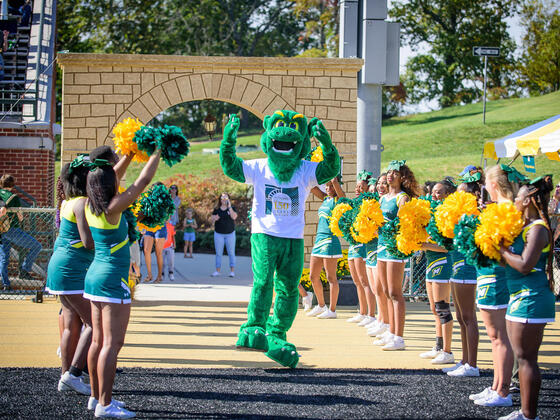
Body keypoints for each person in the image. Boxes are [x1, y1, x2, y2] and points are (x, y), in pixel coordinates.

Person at [84, 147, 160, 418]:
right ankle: (105, 405)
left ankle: (95, 398)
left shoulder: (89, 204)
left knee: (97, 340)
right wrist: (158, 151)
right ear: (109, 185)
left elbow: (109, 177)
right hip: (112, 279)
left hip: (94, 276)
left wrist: (128, 153)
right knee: (112, 343)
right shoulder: (113, 208)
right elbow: (142, 183)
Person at [498, 175, 556, 420]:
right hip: (520, 297)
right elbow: (507, 262)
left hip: (531, 298)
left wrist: (502, 249)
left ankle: (529, 414)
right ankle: (524, 411)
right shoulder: (524, 227)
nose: (515, 200)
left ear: (528, 200)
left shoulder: (538, 229)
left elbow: (524, 265)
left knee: (527, 358)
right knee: (522, 358)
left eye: (518, 196)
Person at [467, 165, 520, 403]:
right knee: (494, 336)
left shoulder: (508, 210)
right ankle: (496, 385)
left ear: (494, 185)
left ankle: (503, 391)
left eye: (487, 183)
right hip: (488, 275)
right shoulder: (499, 209)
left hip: (498, 277)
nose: (484, 188)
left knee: (500, 337)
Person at [45, 158, 94, 396]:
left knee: (70, 324)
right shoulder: (82, 202)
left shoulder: (67, 202)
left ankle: (67, 375)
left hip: (59, 266)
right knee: (95, 323)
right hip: (71, 268)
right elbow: (87, 242)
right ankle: (73, 373)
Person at [375, 160, 421, 351]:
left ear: (402, 177)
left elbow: (403, 225)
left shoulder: (402, 198)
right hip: (381, 247)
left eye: (395, 172)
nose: (391, 175)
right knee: (385, 292)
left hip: (395, 249)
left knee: (395, 293)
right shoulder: (383, 198)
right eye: (389, 172)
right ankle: (391, 331)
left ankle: (399, 337)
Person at [447, 173, 482, 378]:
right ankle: (464, 359)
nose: (457, 197)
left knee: (469, 317)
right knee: (460, 317)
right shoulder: (460, 215)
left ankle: (473, 364)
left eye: (461, 193)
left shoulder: (474, 215)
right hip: (456, 267)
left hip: (467, 268)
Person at [419, 179, 456, 365]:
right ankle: (438, 346)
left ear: (448, 195)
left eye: (439, 192)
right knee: (434, 308)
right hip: (430, 262)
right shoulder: (433, 212)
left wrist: (426, 244)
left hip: (442, 261)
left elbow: (448, 246)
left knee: (442, 308)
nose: (435, 195)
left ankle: (448, 351)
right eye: (433, 191)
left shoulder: (449, 214)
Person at [306, 177, 344, 319]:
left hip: (330, 241)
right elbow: (311, 186)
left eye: (331, 186)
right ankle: (321, 305)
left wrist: (334, 180)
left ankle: (332, 310)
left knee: (331, 277)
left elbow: (342, 196)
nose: (328, 188)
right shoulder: (325, 199)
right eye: (326, 186)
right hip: (319, 240)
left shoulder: (338, 201)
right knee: (313, 276)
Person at [0, 174, 42, 290]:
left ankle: (5, 284)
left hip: (1, 231)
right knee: (37, 246)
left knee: (4, 258)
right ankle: (25, 269)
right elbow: (20, 217)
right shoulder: (13, 197)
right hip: (12, 230)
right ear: (12, 185)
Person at [347, 171, 377, 327]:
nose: (357, 189)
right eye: (356, 186)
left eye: (361, 186)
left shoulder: (368, 204)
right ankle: (362, 311)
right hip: (353, 245)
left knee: (365, 281)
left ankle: (371, 314)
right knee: (357, 281)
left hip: (363, 246)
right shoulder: (355, 202)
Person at [366, 174, 391, 338]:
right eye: (379, 184)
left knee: (383, 289)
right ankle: (382, 319)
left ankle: (387, 322)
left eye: (383, 183)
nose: (381, 187)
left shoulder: (393, 201)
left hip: (384, 249)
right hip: (377, 248)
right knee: (376, 288)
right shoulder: (379, 203)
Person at [210, 192, 237, 277]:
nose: (224, 200)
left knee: (231, 253)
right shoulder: (217, 209)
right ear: (220, 199)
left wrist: (229, 207)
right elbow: (211, 220)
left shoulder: (232, 208)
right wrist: (214, 218)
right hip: (218, 234)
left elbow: (234, 217)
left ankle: (232, 271)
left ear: (228, 199)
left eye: (225, 198)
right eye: (222, 198)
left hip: (230, 234)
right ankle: (217, 271)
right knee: (218, 253)